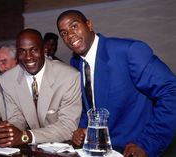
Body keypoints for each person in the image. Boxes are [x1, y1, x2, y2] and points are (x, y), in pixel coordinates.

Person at [56, 10, 176, 157]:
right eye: (64, 33)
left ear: (89, 25)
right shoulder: (76, 63)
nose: (70, 35)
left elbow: (171, 92)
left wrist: (148, 143)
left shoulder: (129, 51)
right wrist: (82, 129)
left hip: (133, 149)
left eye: (74, 26)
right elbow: (90, 106)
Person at [0, 28, 82, 147]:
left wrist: (25, 136)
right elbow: (17, 118)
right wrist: (8, 132)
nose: (28, 57)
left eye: (34, 50)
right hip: (31, 149)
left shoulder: (69, 77)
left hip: (62, 148)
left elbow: (67, 127)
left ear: (44, 50)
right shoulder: (7, 80)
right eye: (22, 51)